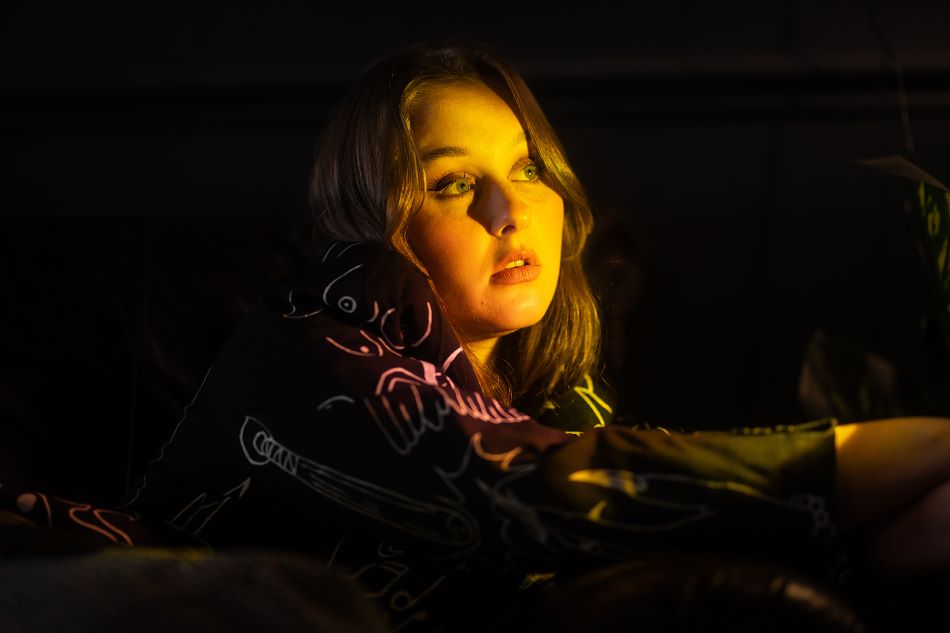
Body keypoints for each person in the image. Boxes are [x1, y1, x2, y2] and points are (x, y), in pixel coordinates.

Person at [123, 38, 950, 632]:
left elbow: (666, 527)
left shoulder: (552, 390)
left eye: (525, 168)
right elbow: (538, 489)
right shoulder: (311, 351)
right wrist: (925, 444)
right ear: (376, 221)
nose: (511, 208)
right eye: (455, 183)